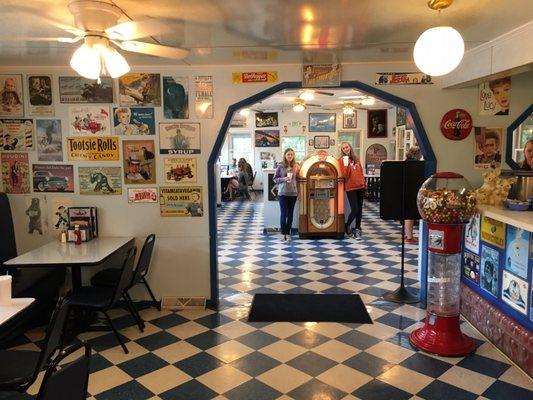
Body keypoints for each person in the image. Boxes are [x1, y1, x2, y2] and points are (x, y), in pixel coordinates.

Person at [339, 142, 366, 240]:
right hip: (350, 187)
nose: (346, 149)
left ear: (350, 147)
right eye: (343, 148)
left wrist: (364, 183)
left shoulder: (356, 158)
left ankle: (357, 229)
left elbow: (361, 171)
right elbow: (344, 176)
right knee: (355, 209)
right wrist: (345, 164)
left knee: (360, 210)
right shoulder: (341, 160)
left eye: (347, 147)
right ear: (342, 150)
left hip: (360, 186)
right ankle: (347, 225)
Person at [274, 148, 299, 241]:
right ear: (285, 155)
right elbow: (275, 179)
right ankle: (283, 233)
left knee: (290, 214)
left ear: (293, 156)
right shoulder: (280, 166)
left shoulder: (296, 166)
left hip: (293, 193)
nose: (290, 156)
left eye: (291, 155)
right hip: (282, 193)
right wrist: (284, 179)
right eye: (288, 154)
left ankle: (288, 234)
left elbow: (299, 179)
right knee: (283, 214)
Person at [404, 147, 422, 244]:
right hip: (410, 191)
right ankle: (409, 237)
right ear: (416, 154)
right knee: (409, 215)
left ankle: (408, 234)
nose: (421, 156)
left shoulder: (406, 162)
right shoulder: (413, 164)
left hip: (406, 191)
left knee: (408, 214)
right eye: (420, 154)